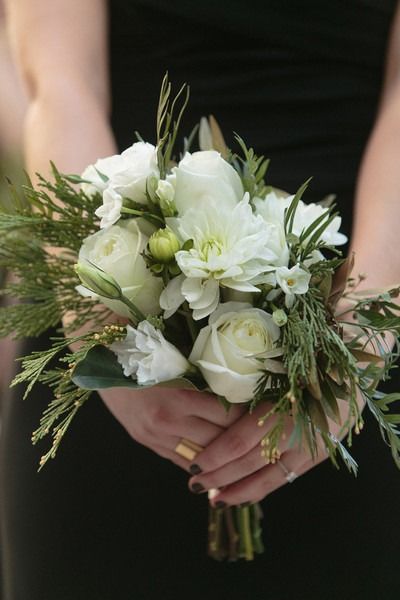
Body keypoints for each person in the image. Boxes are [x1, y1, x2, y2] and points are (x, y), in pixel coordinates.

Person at [1, 1, 400, 598]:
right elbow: (61, 85)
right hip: (124, 311)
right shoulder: (110, 335)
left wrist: (362, 335)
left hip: (353, 304)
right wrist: (103, 326)